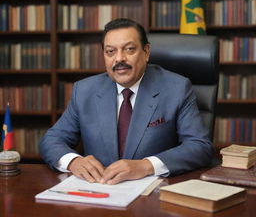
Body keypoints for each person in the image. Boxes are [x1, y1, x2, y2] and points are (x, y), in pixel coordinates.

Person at [40, 18, 213, 185]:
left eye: (129, 49)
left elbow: (199, 146)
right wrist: (73, 161)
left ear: (146, 52)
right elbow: (52, 140)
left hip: (152, 197)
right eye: (110, 51)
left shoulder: (176, 88)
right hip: (100, 192)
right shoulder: (85, 91)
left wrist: (146, 166)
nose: (119, 59)